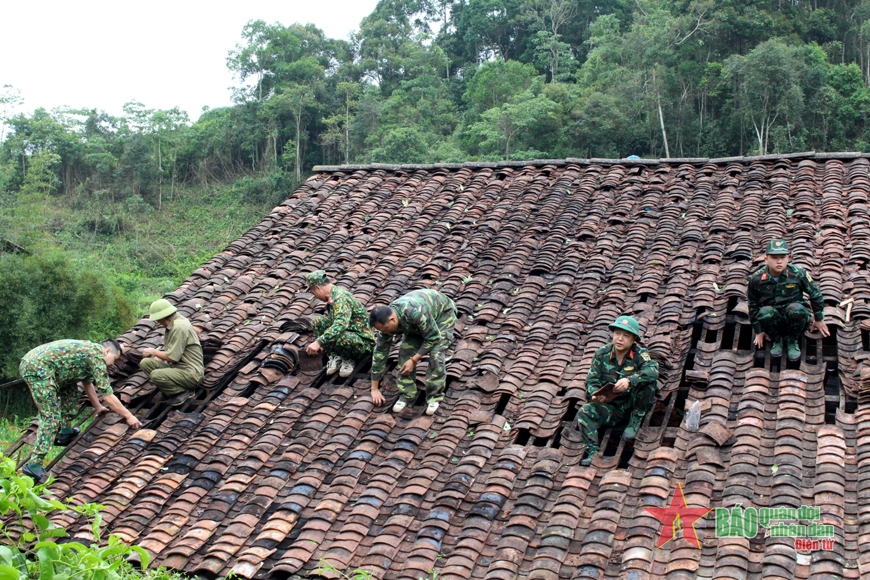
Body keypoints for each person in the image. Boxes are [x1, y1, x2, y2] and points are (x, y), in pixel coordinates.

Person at [19, 339, 142, 482]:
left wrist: (98, 407)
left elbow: (87, 382)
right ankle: (34, 464)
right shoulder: (96, 356)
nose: (113, 364)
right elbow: (107, 394)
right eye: (114, 359)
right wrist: (128, 415)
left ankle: (66, 432)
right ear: (107, 351)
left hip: (56, 370)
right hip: (37, 368)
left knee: (71, 394)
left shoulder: (89, 354)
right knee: (51, 418)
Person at [576, 316, 659, 466]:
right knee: (584, 411)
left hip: (633, 404)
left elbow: (653, 370)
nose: (620, 338)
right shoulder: (601, 354)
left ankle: (636, 419)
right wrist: (595, 395)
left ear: (634, 339)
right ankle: (592, 451)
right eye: (617, 333)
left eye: (626, 335)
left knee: (648, 382)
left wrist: (630, 380)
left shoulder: (640, 354)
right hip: (611, 408)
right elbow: (591, 380)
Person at [369, 289, 457, 416]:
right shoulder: (386, 325)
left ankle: (434, 396)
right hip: (416, 324)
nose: (385, 332)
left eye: (386, 329)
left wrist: (414, 360)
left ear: (392, 319)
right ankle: (407, 395)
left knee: (436, 355)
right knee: (405, 353)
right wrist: (374, 388)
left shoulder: (414, 312)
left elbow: (433, 337)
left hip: (442, 314)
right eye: (381, 330)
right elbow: (380, 353)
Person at [748, 239, 829, 361]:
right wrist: (758, 331)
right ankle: (777, 340)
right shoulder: (756, 279)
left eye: (782, 257)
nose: (779, 261)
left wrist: (818, 318)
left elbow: (816, 294)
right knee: (765, 312)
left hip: (796, 318)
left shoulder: (798, 273)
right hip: (773, 319)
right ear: (766, 259)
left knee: (795, 309)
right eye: (774, 257)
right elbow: (753, 305)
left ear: (788, 258)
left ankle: (793, 341)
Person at [304, 270, 375, 378]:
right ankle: (336, 355)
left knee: (341, 334)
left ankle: (348, 359)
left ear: (318, 288)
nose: (316, 297)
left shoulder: (340, 298)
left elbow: (340, 325)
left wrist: (319, 342)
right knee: (318, 322)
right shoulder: (332, 296)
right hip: (348, 335)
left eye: (314, 293)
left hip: (361, 342)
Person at [140, 299, 204, 407]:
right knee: (146, 363)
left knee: (156, 375)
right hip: (177, 369)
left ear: (161, 318)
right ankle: (170, 391)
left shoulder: (179, 327)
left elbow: (173, 357)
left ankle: (181, 392)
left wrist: (154, 352)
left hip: (191, 373)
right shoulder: (175, 323)